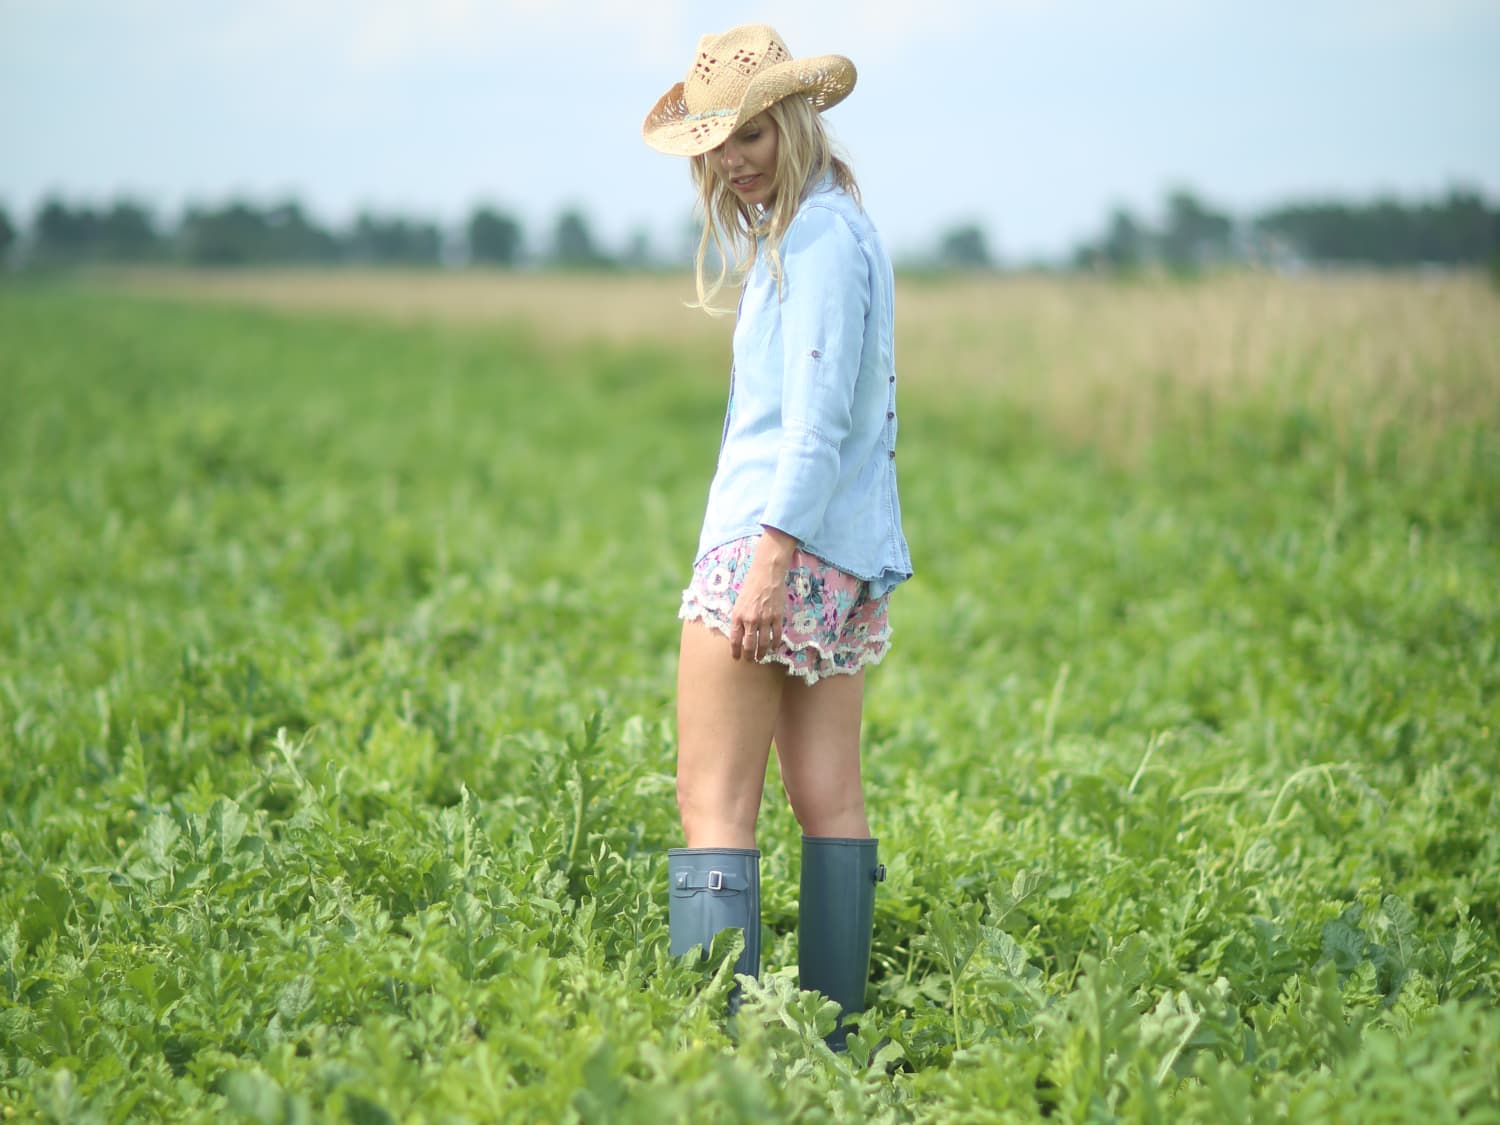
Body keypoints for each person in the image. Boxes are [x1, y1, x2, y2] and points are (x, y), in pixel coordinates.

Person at [642, 24, 912, 1050]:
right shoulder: (831, 228)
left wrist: (763, 563)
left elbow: (814, 427)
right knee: (828, 801)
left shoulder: (816, 242)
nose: (732, 160)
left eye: (751, 133)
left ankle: (726, 1061)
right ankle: (829, 1046)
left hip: (771, 547)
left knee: (711, 801)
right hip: (827, 555)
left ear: (795, 120)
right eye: (716, 144)